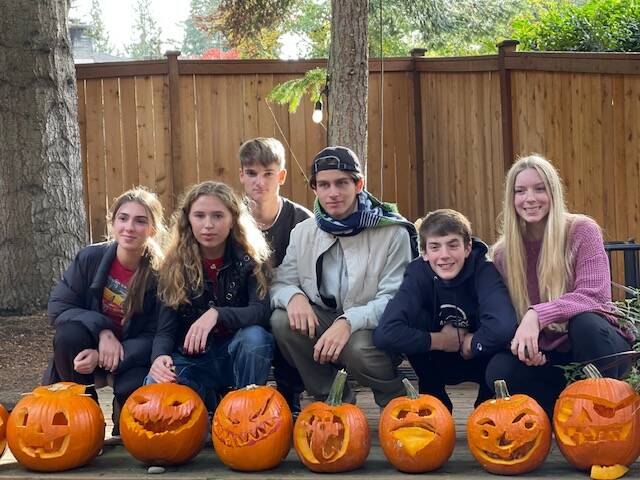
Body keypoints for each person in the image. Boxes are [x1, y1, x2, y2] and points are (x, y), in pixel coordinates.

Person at [270, 146, 418, 408]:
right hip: (325, 320)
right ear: (314, 189)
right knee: (282, 321)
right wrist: (293, 297)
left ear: (359, 184)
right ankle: (334, 402)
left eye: (341, 183)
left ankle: (398, 403)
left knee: (358, 349)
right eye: (324, 185)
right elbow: (281, 281)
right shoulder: (303, 231)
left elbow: (396, 300)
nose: (333, 193)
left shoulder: (392, 232)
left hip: (372, 329)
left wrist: (348, 322)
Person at [488, 154, 634, 416]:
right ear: (511, 199)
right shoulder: (503, 254)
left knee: (585, 323)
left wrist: (537, 314)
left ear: (553, 192)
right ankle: (559, 413)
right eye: (520, 191)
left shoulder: (581, 230)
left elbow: (594, 296)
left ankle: (603, 411)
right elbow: (505, 318)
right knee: (499, 370)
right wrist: (527, 349)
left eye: (539, 188)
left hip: (597, 349)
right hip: (550, 356)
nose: (529, 198)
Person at [46, 187, 166, 436]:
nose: (129, 227)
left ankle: (121, 409)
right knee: (68, 336)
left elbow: (158, 334)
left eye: (140, 221)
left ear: (153, 229)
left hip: (133, 357)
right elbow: (59, 308)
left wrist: (104, 356)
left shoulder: (162, 275)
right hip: (88, 347)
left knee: (132, 395)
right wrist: (103, 331)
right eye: (123, 218)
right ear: (113, 223)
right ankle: (84, 418)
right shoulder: (90, 258)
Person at [373, 209, 517, 412]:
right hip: (436, 357)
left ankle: (486, 402)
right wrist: (439, 340)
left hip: (479, 355)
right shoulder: (417, 273)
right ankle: (435, 399)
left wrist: (472, 342)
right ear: (424, 253)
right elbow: (385, 334)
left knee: (499, 339)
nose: (444, 255)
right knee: (414, 320)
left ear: (467, 248)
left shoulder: (484, 270)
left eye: (453, 245)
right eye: (435, 247)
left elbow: (503, 327)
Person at [148, 181, 274, 409]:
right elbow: (165, 329)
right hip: (194, 361)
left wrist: (217, 314)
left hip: (236, 354)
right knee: (154, 383)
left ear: (233, 220)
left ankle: (244, 410)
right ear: (188, 220)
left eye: (217, 216)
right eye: (199, 216)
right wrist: (158, 358)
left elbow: (261, 311)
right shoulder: (174, 266)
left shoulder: (251, 260)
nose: (208, 225)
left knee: (255, 338)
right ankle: (208, 402)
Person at [238, 137, 312, 414]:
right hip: (244, 303)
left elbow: (309, 278)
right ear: (242, 176)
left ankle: (290, 394)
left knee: (287, 319)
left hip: (289, 301)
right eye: (253, 173)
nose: (260, 181)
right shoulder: (231, 221)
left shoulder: (302, 222)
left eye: (268, 173)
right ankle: (240, 401)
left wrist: (294, 297)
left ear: (281, 176)